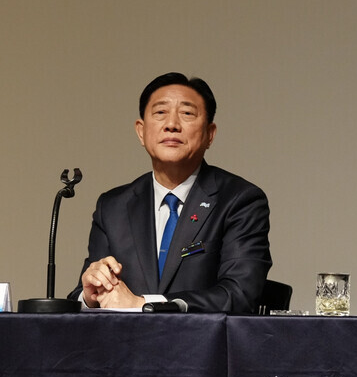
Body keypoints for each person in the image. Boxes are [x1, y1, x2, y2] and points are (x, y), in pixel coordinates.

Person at [68, 72, 272, 313]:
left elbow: (239, 294)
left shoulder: (240, 200)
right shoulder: (113, 207)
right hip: (124, 338)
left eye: (187, 113)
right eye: (160, 113)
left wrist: (143, 304)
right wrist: (90, 296)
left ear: (210, 134)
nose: (172, 124)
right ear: (141, 131)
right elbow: (80, 297)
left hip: (202, 337)